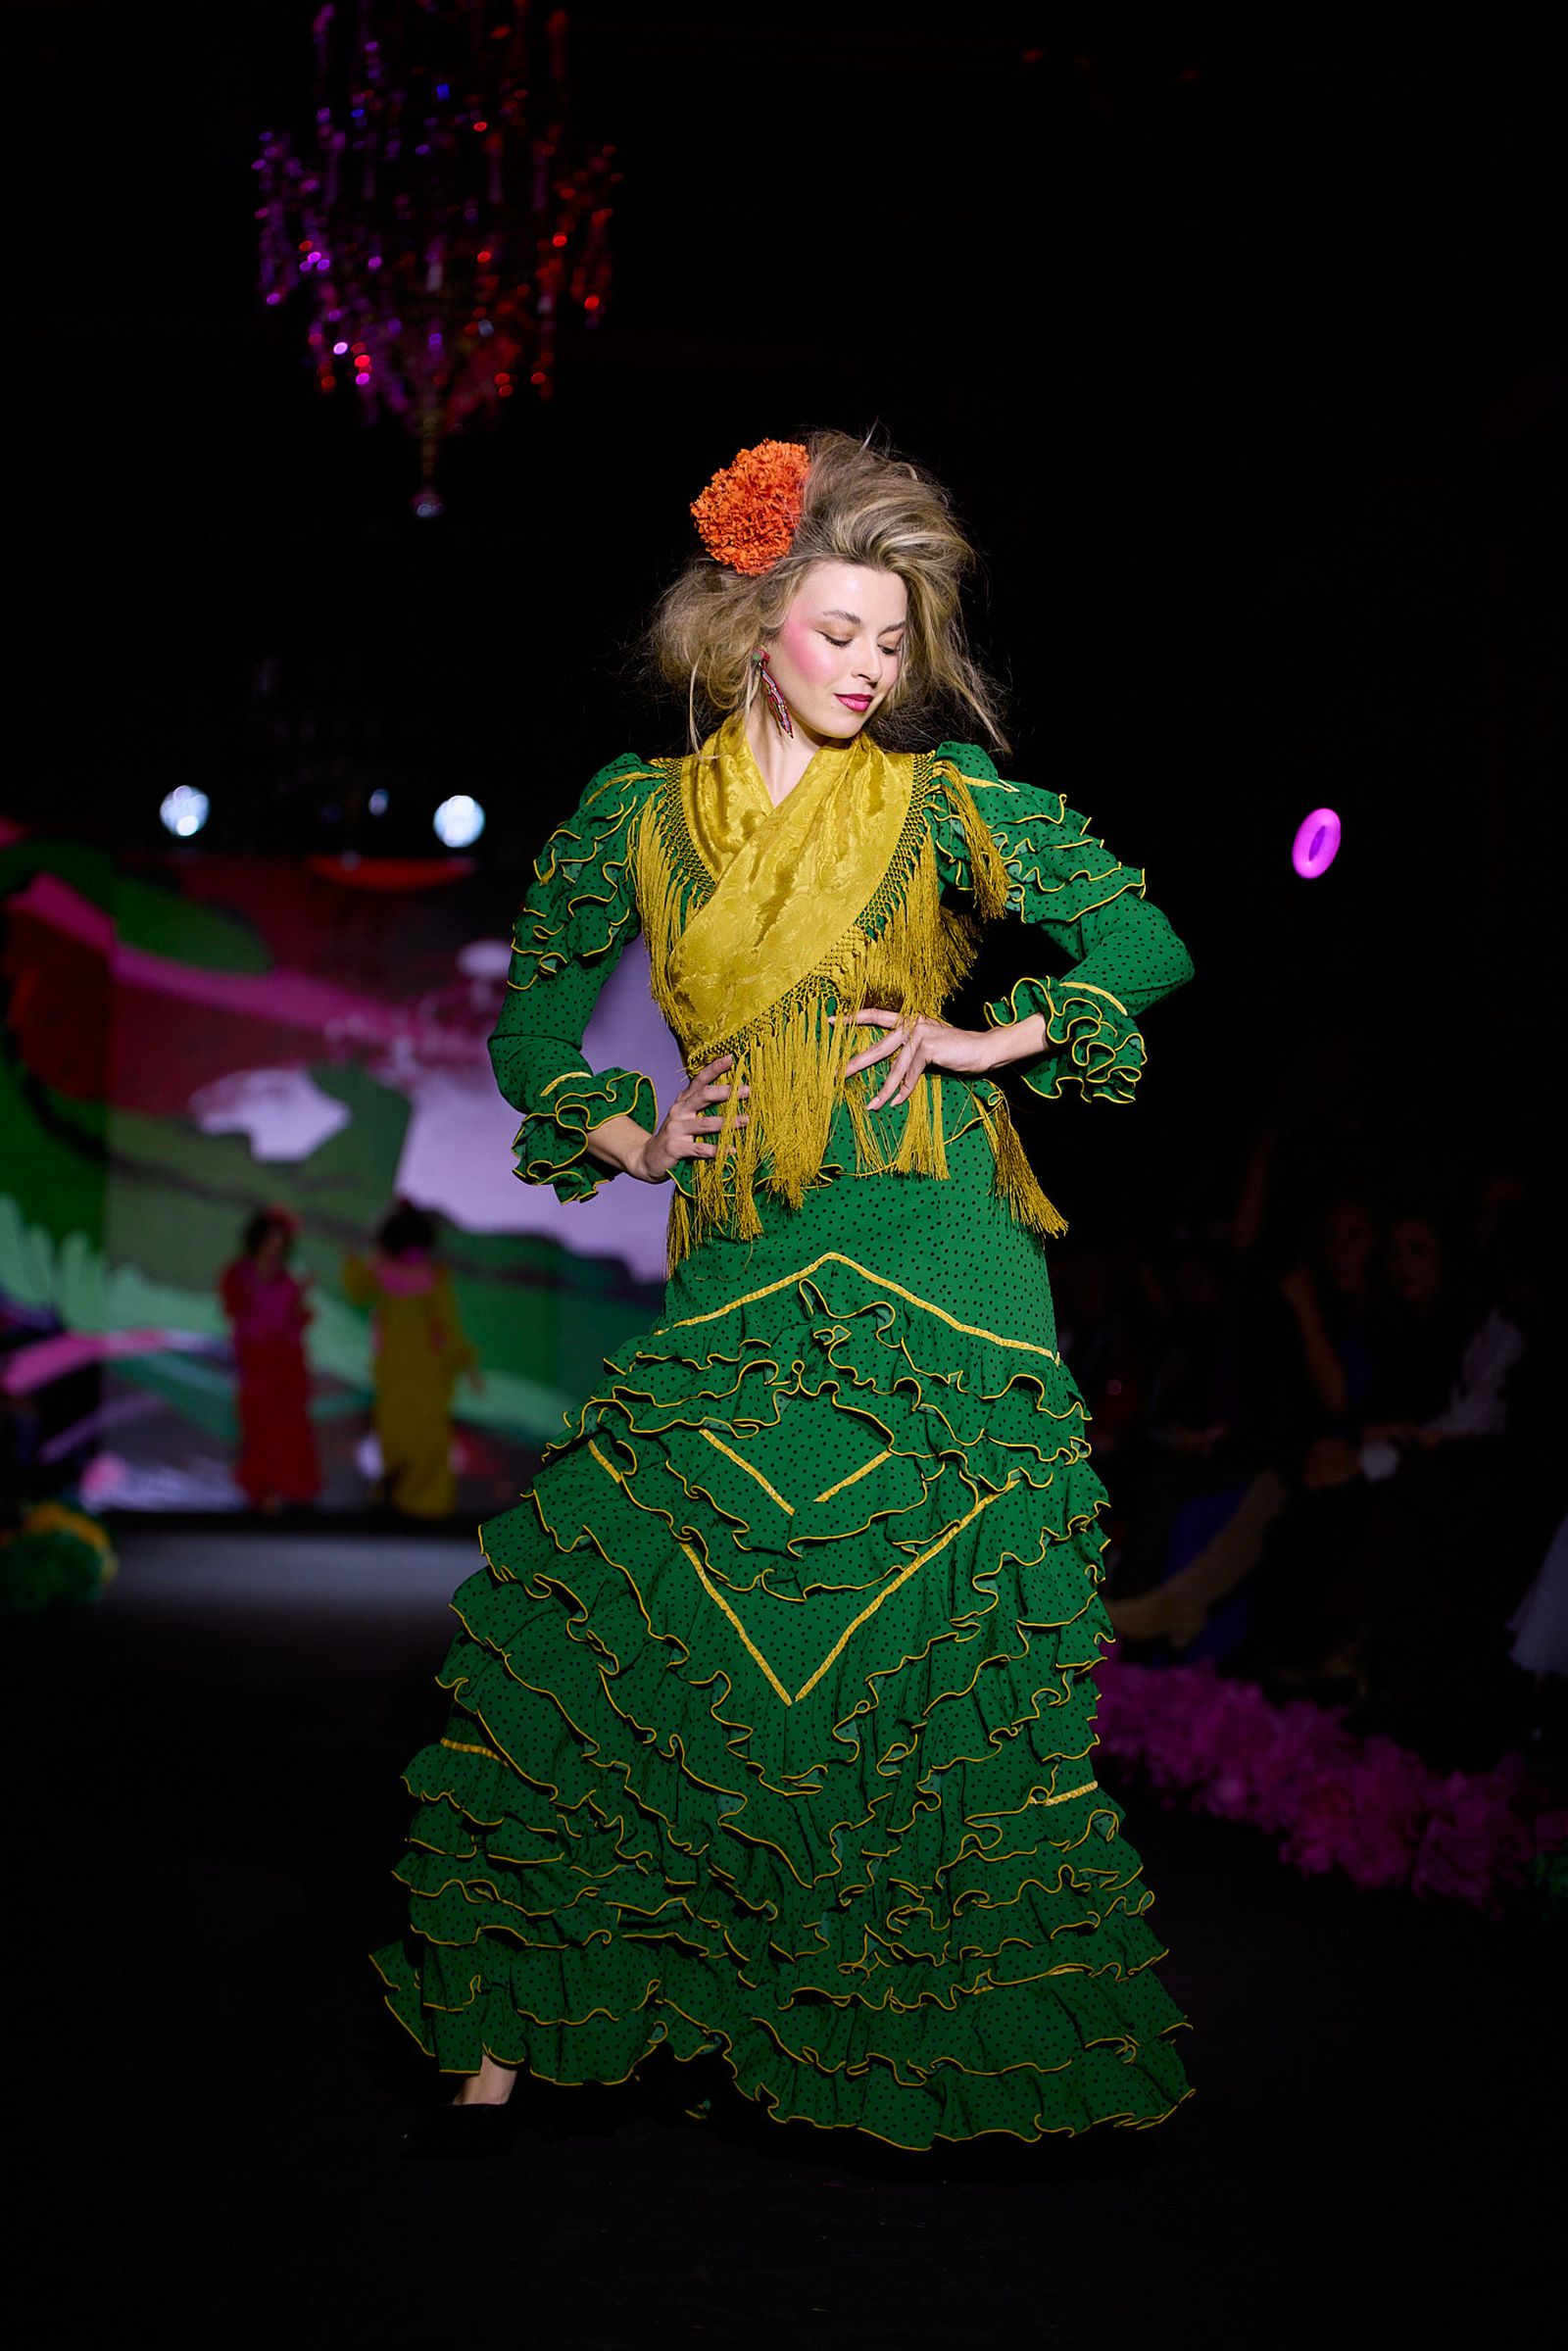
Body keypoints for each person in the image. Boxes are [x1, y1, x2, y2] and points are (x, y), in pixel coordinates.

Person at [375, 433, 1196, 2150]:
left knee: (910, 1638)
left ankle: (904, 2033)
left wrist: (989, 1031)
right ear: (757, 629)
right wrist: (637, 1127)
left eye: (894, 642)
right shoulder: (641, 816)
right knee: (639, 1614)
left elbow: (1141, 941)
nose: (874, 667)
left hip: (936, 1244)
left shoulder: (939, 801)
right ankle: (526, 2019)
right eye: (842, 633)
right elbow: (532, 1024)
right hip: (743, 1244)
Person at [344, 1202, 481, 1520]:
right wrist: (466, 1365)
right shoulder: (424, 1278)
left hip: (406, 1380)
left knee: (408, 1448)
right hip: (417, 1381)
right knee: (418, 1450)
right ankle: (417, 1513)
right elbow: (450, 1331)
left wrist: (365, 1254)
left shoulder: (394, 1274)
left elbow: (356, 1289)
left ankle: (404, 1512)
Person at [218, 1208, 320, 1514]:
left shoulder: (287, 1279)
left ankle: (287, 1493)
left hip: (286, 1369)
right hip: (256, 1366)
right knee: (257, 1429)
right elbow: (234, 1310)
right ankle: (260, 1493)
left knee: (289, 1431)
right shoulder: (239, 1274)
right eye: (271, 1239)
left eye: (280, 1240)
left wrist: (299, 1304)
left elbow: (294, 1319)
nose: (275, 1246)